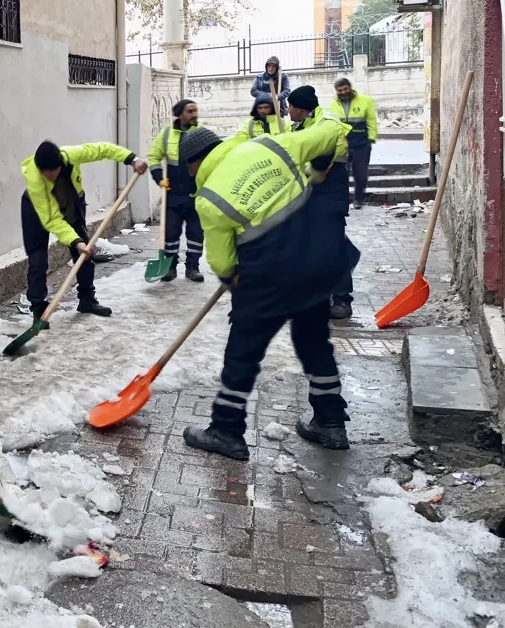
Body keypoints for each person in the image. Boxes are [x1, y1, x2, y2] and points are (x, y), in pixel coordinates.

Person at [180, 117, 357, 462]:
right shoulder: (272, 146)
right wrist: (320, 168)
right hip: (316, 265)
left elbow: (222, 262)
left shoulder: (209, 199)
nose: (189, 175)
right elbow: (336, 131)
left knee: (242, 355)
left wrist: (236, 284)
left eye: (188, 168)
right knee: (314, 345)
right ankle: (331, 423)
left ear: (196, 162)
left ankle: (227, 431)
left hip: (267, 280)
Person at [21, 140, 148, 324]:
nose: (45, 175)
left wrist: (131, 159)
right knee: (38, 261)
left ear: (60, 166)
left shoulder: (72, 155)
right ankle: (39, 309)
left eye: (50, 172)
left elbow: (104, 149)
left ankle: (87, 299)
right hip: (36, 210)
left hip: (69, 204)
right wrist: (75, 241)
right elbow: (52, 220)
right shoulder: (36, 182)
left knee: (87, 253)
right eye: (42, 172)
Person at [288, 86, 358, 322]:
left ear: (299, 108)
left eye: (289, 106)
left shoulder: (326, 123)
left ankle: (341, 300)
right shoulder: (300, 125)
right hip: (309, 195)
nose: (287, 111)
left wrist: (307, 167)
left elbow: (328, 156)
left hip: (329, 193)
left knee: (332, 245)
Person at [148, 99, 205, 282]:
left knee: (196, 233)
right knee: (170, 233)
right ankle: (170, 266)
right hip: (172, 196)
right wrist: (159, 178)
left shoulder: (202, 134)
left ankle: (193, 267)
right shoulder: (166, 136)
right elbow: (154, 157)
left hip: (197, 194)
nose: (194, 114)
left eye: (196, 111)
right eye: (190, 111)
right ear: (180, 114)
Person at [328, 77, 378, 209]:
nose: (343, 92)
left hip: (361, 144)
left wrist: (371, 138)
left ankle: (358, 199)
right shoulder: (333, 105)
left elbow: (371, 120)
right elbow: (331, 125)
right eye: (340, 90)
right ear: (336, 91)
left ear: (350, 87)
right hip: (342, 145)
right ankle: (343, 199)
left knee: (360, 174)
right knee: (341, 174)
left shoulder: (365, 101)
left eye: (345, 89)